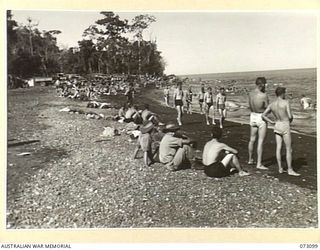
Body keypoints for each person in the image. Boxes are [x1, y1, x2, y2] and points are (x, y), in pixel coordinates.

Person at [262, 87, 300, 176]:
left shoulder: (272, 104)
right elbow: (290, 116)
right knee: (288, 148)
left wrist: (271, 121)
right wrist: (290, 120)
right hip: (285, 124)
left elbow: (263, 115)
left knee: (278, 147)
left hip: (277, 125)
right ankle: (290, 169)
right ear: (283, 93)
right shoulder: (286, 102)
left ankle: (280, 168)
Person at [248, 77, 269, 170]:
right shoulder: (263, 95)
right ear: (262, 84)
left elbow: (250, 105)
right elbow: (268, 109)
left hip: (252, 116)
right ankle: (259, 163)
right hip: (261, 117)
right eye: (265, 84)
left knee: (252, 139)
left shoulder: (250, 93)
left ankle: (250, 159)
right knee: (260, 141)